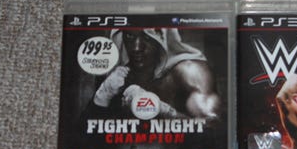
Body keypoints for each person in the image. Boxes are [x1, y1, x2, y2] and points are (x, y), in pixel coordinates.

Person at [85, 28, 220, 120]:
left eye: (147, 37)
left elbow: (213, 131)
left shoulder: (189, 72)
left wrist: (163, 111)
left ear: (163, 38)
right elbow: (85, 137)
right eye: (130, 36)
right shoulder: (115, 77)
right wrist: (103, 94)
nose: (136, 48)